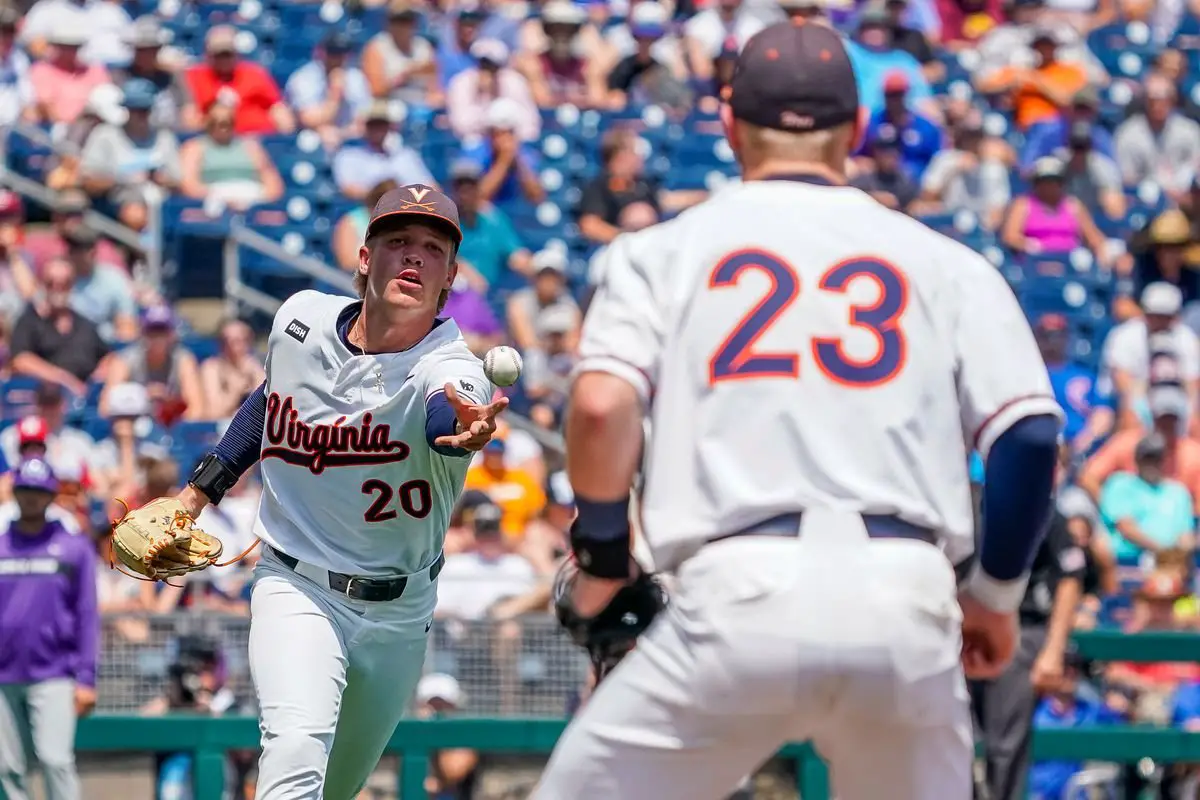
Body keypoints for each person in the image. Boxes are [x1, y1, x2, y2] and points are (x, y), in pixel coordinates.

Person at [533, 22, 1062, 800]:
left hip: (736, 592)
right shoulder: (945, 260)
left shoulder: (660, 251)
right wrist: (995, 597)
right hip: (905, 597)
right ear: (856, 128)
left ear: (726, 122)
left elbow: (604, 405)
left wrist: (607, 554)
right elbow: (1029, 433)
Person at [144, 184, 508, 799]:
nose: (413, 258)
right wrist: (194, 496)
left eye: (431, 249)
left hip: (399, 609)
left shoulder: (450, 366)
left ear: (449, 278)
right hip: (297, 582)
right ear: (366, 258)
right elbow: (269, 403)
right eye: (398, 243)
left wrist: (466, 426)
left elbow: (450, 411)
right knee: (293, 751)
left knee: (336, 789)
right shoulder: (300, 319)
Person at [970, 442, 1086, 800]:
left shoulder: (1041, 507)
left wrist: (1052, 651)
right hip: (961, 632)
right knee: (952, 741)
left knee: (1003, 748)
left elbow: (1071, 576)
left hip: (1021, 634)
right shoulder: (966, 502)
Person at [0, 458, 99, 800]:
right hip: (2, 675)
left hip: (54, 672)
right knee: (7, 768)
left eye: (38, 492)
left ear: (50, 496)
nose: (30, 498)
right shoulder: (1, 544)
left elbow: (87, 614)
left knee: (55, 760)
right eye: (24, 490)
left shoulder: (73, 547)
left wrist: (86, 677)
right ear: (14, 493)